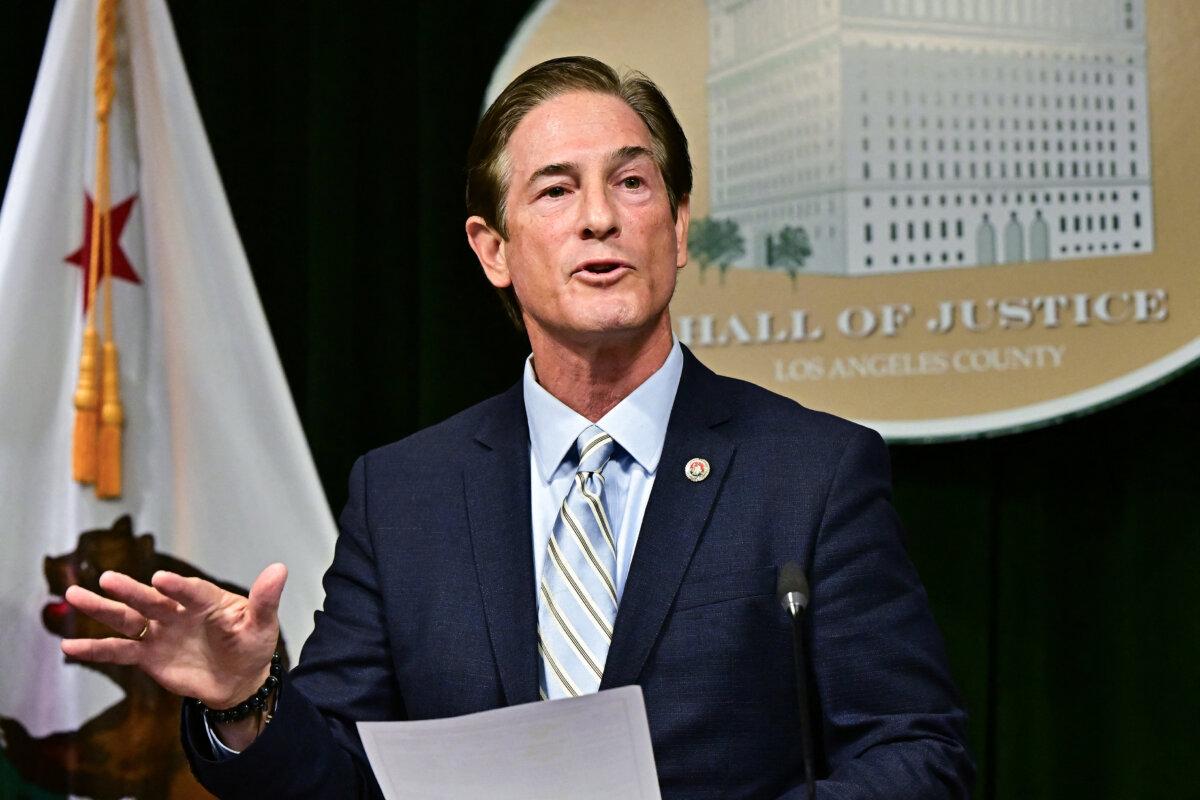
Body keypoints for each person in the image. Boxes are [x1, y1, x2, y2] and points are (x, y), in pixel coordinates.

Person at [61, 56, 974, 798]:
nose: (601, 218)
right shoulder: (405, 493)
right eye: (555, 191)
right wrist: (246, 700)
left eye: (632, 182)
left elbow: (918, 758)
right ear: (491, 249)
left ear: (681, 227)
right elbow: (337, 780)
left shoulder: (811, 472)